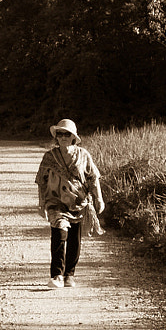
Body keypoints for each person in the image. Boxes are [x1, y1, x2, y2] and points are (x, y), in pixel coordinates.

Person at [35, 118, 105, 289]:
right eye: (60, 134)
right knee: (59, 233)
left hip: (78, 202)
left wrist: (98, 198)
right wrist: (41, 203)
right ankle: (57, 275)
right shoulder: (49, 157)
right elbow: (41, 181)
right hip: (55, 201)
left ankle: (69, 275)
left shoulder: (83, 155)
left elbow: (93, 178)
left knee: (74, 239)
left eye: (67, 134)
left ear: (74, 137)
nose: (63, 137)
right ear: (56, 137)